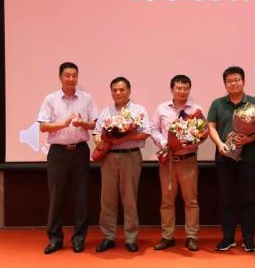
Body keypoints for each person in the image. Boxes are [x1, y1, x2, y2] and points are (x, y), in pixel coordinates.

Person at [38, 62, 98, 254]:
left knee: (81, 196)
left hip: (80, 151)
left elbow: (94, 124)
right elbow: (43, 126)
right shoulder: (50, 99)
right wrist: (62, 125)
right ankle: (55, 239)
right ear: (60, 77)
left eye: (74, 75)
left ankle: (79, 239)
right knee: (56, 196)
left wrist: (82, 123)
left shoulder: (86, 98)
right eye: (67, 75)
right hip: (58, 153)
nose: (71, 79)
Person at [208, 66, 255, 252]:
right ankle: (228, 237)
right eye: (229, 81)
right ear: (225, 84)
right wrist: (219, 144)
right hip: (225, 157)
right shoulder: (217, 104)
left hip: (248, 157)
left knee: (248, 197)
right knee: (227, 198)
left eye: (237, 80)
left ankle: (248, 238)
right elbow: (211, 127)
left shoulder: (254, 102)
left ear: (243, 81)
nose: (233, 83)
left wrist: (248, 139)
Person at [93, 77, 150, 253]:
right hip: (109, 158)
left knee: (130, 198)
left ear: (129, 91)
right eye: (115, 90)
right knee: (107, 198)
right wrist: (99, 141)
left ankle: (131, 238)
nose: (118, 93)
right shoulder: (106, 111)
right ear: (111, 92)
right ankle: (108, 236)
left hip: (130, 156)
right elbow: (97, 133)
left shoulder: (138, 110)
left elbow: (145, 133)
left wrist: (123, 137)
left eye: (122, 90)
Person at [150, 75, 205, 252]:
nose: (182, 91)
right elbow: (153, 129)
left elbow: (203, 133)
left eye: (185, 88)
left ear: (189, 89)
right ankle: (167, 236)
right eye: (178, 88)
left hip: (188, 161)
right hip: (168, 162)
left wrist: (193, 139)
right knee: (167, 201)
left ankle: (191, 236)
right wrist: (163, 142)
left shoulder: (196, 109)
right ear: (172, 89)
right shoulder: (161, 108)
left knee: (191, 201)